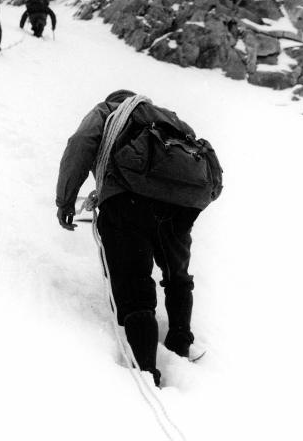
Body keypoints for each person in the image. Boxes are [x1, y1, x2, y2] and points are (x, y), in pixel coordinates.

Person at [56, 90, 219, 387]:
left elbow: (80, 144)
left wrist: (65, 200)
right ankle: (180, 342)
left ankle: (147, 374)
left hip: (127, 201)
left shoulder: (108, 111)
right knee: (177, 275)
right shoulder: (169, 119)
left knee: (134, 285)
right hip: (181, 205)